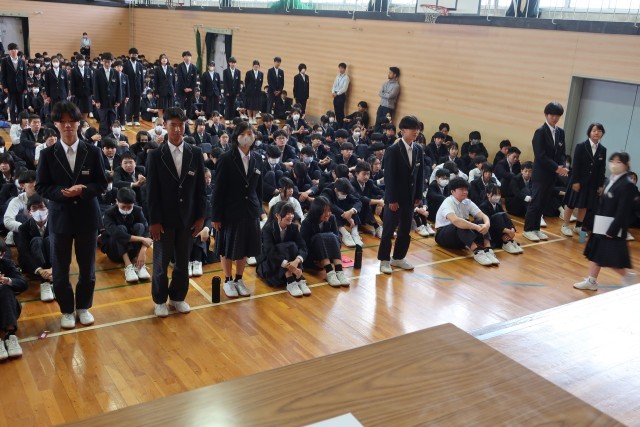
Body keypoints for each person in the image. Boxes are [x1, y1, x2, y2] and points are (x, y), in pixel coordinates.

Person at [35, 101, 108, 329]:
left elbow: (102, 184)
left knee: (88, 268)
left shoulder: (93, 151)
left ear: (79, 123)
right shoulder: (47, 154)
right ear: (56, 124)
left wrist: (83, 190)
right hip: (61, 218)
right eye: (62, 122)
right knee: (60, 269)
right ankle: (67, 310)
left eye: (71, 121)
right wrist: (61, 193)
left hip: (87, 217)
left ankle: (83, 307)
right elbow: (41, 187)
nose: (67, 126)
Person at [146, 107, 206, 317]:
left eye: (181, 125)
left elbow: (201, 188)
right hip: (163, 220)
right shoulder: (155, 155)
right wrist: (154, 221)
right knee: (161, 263)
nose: (178, 130)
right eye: (173, 125)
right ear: (165, 126)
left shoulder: (195, 153)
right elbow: (151, 192)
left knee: (182, 262)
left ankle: (178, 297)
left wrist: (201, 217)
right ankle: (160, 299)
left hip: (188, 219)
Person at [212, 121, 263, 298]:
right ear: (236, 137)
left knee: (244, 247)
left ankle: (239, 279)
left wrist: (260, 209)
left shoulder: (258, 158)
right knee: (226, 248)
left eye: (250, 133)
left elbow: (258, 187)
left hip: (250, 211)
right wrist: (216, 216)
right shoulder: (226, 158)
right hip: (230, 211)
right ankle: (228, 280)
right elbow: (218, 190)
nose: (247, 137)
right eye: (243, 133)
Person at [574, 152, 637, 291]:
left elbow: (623, 211)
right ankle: (591, 281)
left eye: (618, 162)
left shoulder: (628, 185)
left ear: (626, 165)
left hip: (613, 227)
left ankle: (628, 276)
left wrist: (612, 230)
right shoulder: (609, 180)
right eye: (612, 161)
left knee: (610, 257)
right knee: (595, 253)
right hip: (601, 223)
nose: (614, 164)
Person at [378, 116, 425, 274]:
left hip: (410, 198)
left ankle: (398, 257)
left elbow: (420, 174)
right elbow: (389, 177)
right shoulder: (393, 150)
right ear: (403, 130)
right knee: (388, 230)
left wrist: (418, 195)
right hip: (395, 198)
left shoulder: (418, 149)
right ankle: (384, 260)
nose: (416, 132)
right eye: (413, 129)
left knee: (405, 230)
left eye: (417, 129)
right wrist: (391, 199)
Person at [523, 102, 569, 242]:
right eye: (552, 115)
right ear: (546, 115)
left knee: (543, 202)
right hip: (541, 174)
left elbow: (562, 153)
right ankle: (528, 229)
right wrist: (556, 167)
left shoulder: (560, 132)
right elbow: (540, 155)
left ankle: (536, 229)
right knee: (536, 202)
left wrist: (563, 166)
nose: (555, 118)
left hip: (552, 175)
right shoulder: (540, 131)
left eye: (557, 115)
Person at [434, 177, 499, 266]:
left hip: (461, 237)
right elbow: (456, 221)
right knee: (460, 223)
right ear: (452, 191)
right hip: (444, 237)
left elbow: (483, 216)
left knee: (480, 220)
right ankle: (477, 252)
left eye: (466, 189)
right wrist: (476, 227)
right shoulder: (447, 202)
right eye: (461, 189)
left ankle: (488, 249)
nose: (465, 192)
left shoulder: (467, 202)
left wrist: (486, 225)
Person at [561, 123, 607, 237]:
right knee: (571, 203)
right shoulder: (581, 146)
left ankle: (578, 226)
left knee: (585, 205)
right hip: (578, 181)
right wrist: (575, 181)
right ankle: (565, 225)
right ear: (589, 133)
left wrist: (600, 185)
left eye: (599, 131)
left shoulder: (603, 149)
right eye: (594, 130)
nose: (596, 133)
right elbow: (576, 165)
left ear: (602, 133)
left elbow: (602, 169)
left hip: (592, 183)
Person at [257, 201, 310, 297]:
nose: (291, 216)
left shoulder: (294, 227)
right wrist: (289, 266)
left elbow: (303, 247)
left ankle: (297, 277)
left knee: (292, 245)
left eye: (292, 213)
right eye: (287, 213)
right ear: (277, 215)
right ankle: (292, 279)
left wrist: (296, 261)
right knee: (283, 246)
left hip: (290, 263)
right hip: (271, 263)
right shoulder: (268, 229)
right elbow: (270, 252)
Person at [101, 187, 151, 283]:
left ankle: (138, 264)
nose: (126, 210)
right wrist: (141, 239)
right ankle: (128, 265)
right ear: (117, 201)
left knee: (140, 226)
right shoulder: (109, 213)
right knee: (120, 229)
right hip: (115, 250)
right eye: (123, 207)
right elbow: (116, 234)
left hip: (133, 250)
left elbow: (146, 230)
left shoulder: (137, 210)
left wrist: (143, 251)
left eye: (129, 207)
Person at [300, 196, 350, 287]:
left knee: (333, 236)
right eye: (324, 211)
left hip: (328, 256)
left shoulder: (332, 218)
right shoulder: (306, 222)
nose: (328, 214)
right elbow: (303, 246)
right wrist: (314, 262)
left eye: (329, 211)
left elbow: (338, 241)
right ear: (317, 212)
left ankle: (339, 271)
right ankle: (329, 272)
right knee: (319, 237)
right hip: (313, 258)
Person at [16, 195, 53, 302]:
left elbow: (63, 248)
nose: (38, 211)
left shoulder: (56, 224)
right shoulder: (23, 228)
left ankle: (54, 277)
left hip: (53, 264)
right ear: (29, 212)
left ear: (48, 209)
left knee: (50, 239)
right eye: (34, 208)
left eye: (41, 207)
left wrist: (54, 268)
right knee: (37, 240)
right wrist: (40, 270)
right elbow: (24, 253)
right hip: (35, 264)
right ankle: (45, 282)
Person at [0, 238, 28, 360]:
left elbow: (23, 284)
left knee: (6, 289)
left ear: (2, 254)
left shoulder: (7, 264)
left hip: (7, 309)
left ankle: (10, 335)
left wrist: (8, 280)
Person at [478, 184, 524, 254]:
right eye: (495, 194)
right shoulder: (483, 206)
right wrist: (506, 231)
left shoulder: (498, 205)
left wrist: (512, 229)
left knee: (504, 214)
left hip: (500, 231)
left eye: (499, 194)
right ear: (488, 194)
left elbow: (506, 218)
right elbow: (489, 223)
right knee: (498, 216)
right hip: (491, 232)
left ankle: (508, 240)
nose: (497, 196)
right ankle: (505, 242)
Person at [93, 52, 122, 136]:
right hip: (102, 101)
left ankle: (112, 137)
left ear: (112, 62)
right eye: (105, 62)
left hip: (113, 101)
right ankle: (103, 139)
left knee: (113, 120)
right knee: (103, 121)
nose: (107, 64)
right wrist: (97, 101)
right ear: (102, 61)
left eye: (108, 62)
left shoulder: (115, 72)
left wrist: (118, 100)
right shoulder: (97, 72)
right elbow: (95, 88)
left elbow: (118, 87)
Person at [0, 43, 28, 123]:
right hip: (10, 87)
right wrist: (5, 86)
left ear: (17, 50)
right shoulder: (5, 61)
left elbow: (24, 76)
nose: (13, 51)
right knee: (12, 106)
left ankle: (20, 122)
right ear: (9, 51)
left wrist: (25, 87)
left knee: (21, 106)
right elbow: (3, 75)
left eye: (15, 49)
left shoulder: (22, 61)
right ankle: (13, 123)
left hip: (20, 87)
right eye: (11, 49)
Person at [375, 67, 401, 131]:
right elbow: (380, 93)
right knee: (377, 123)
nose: (388, 74)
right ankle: (375, 136)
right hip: (381, 106)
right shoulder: (385, 83)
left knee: (385, 125)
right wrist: (386, 94)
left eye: (390, 73)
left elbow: (390, 96)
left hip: (388, 108)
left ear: (395, 75)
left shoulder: (396, 86)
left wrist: (384, 93)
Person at [123, 48, 144, 126]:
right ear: (129, 55)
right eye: (132, 54)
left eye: (135, 55)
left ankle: (136, 119)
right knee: (130, 105)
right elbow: (124, 78)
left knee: (137, 105)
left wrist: (142, 89)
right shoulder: (125, 65)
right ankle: (128, 119)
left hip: (138, 88)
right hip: (129, 88)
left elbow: (142, 78)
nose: (134, 56)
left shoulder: (140, 65)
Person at [69, 54, 94, 120]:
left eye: (82, 60)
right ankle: (79, 122)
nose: (81, 61)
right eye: (79, 60)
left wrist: (92, 92)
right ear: (77, 61)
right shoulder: (74, 70)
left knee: (86, 110)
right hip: (78, 94)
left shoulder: (88, 70)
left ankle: (84, 122)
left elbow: (91, 82)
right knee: (78, 110)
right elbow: (72, 82)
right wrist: (72, 92)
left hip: (87, 93)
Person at [176, 51, 198, 122]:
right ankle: (181, 118)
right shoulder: (180, 66)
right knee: (181, 104)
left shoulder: (193, 67)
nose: (188, 58)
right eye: (186, 56)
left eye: (189, 56)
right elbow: (180, 78)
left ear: (191, 58)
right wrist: (184, 88)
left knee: (190, 104)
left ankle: (188, 118)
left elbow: (194, 79)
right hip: (182, 89)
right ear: (183, 57)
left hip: (190, 89)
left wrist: (191, 88)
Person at [153, 53, 175, 120]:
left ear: (167, 59)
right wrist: (156, 92)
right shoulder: (157, 69)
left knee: (170, 107)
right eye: (162, 58)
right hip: (161, 91)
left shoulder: (171, 68)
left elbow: (174, 81)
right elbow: (156, 82)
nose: (164, 59)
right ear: (160, 60)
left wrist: (174, 91)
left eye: (165, 58)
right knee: (160, 107)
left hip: (170, 91)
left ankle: (168, 120)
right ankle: (161, 120)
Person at [244, 60, 264, 124]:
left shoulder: (261, 74)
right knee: (249, 106)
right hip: (249, 92)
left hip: (257, 92)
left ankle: (254, 118)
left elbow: (261, 83)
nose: (256, 67)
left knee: (255, 106)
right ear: (253, 66)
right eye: (255, 66)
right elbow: (246, 83)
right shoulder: (248, 73)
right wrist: (248, 90)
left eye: (257, 66)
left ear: (259, 66)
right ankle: (250, 118)